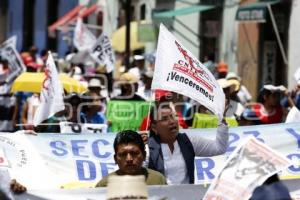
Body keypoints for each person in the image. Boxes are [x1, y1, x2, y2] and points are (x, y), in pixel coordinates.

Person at [147, 97, 229, 185]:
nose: (171, 122)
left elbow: (219, 148)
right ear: (154, 127)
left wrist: (222, 120)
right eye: (164, 119)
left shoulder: (189, 141)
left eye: (173, 116)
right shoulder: (147, 149)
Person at [96, 130, 167, 187]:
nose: (129, 159)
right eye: (123, 154)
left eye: (134, 153)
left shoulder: (158, 180)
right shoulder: (104, 185)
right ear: (115, 159)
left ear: (144, 155)